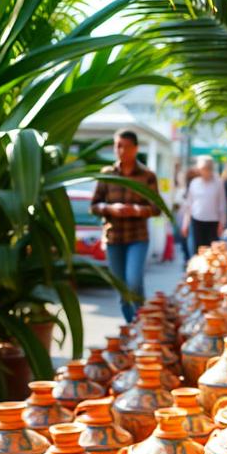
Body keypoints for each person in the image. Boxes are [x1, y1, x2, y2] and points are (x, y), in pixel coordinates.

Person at [91, 129, 161, 323]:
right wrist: (111, 208)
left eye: (124, 146)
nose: (120, 150)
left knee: (134, 280)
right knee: (121, 287)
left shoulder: (147, 176)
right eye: (117, 146)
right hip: (114, 238)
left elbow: (157, 208)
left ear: (135, 148)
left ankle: (142, 322)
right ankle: (131, 326)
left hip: (137, 237)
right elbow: (94, 206)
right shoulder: (108, 174)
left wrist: (136, 210)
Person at [181, 156, 227, 253]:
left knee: (212, 251)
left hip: (213, 221)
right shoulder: (194, 183)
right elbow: (189, 205)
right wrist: (185, 223)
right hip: (197, 220)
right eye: (202, 169)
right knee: (197, 249)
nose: (204, 172)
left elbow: (222, 204)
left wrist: (222, 223)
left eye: (206, 169)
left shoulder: (218, 183)